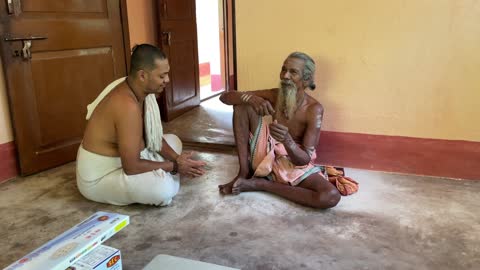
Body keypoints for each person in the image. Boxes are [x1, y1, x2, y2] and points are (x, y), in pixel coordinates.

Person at [76, 44, 206, 206]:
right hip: (102, 176)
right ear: (142, 75)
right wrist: (174, 166)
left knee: (174, 141)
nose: (167, 80)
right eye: (162, 76)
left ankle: (165, 174)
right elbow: (131, 166)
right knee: (162, 191)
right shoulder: (126, 104)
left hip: (132, 157)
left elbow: (153, 137)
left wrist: (177, 159)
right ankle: (166, 179)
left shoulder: (139, 89)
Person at [218, 52, 342, 209]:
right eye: (284, 70)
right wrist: (251, 98)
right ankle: (243, 173)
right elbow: (225, 97)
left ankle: (261, 184)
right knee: (242, 106)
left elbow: (304, 160)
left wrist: (287, 141)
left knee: (329, 196)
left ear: (306, 80)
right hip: (265, 152)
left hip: (292, 160)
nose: (285, 76)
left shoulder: (314, 109)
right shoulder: (274, 95)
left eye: (293, 72)